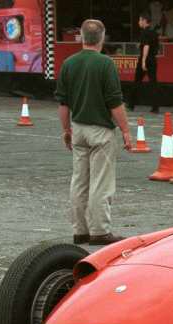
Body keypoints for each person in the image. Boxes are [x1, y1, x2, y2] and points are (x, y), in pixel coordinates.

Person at [55, 19, 132, 246]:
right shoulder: (105, 64)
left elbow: (63, 103)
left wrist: (66, 129)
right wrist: (126, 131)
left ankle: (80, 230)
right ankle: (100, 231)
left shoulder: (69, 63)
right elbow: (114, 102)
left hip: (78, 129)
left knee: (79, 180)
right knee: (101, 182)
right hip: (100, 130)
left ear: (81, 36)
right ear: (101, 37)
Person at [127, 12, 160, 113]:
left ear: (144, 21)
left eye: (140, 20)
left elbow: (146, 46)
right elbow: (154, 47)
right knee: (153, 83)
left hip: (145, 59)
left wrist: (143, 61)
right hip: (153, 60)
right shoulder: (154, 32)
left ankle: (131, 105)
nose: (138, 22)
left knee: (137, 82)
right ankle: (155, 107)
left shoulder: (145, 33)